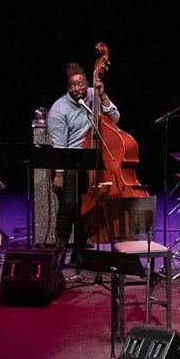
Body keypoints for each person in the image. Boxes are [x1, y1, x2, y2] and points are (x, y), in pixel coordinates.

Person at [46, 61, 120, 261]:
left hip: (90, 161)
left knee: (85, 207)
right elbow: (59, 148)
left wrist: (103, 96)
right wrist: (59, 175)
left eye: (80, 84)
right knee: (68, 205)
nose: (77, 89)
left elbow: (116, 117)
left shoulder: (93, 95)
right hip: (68, 161)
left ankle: (80, 251)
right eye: (72, 86)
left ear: (86, 82)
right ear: (68, 87)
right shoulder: (59, 110)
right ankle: (60, 251)